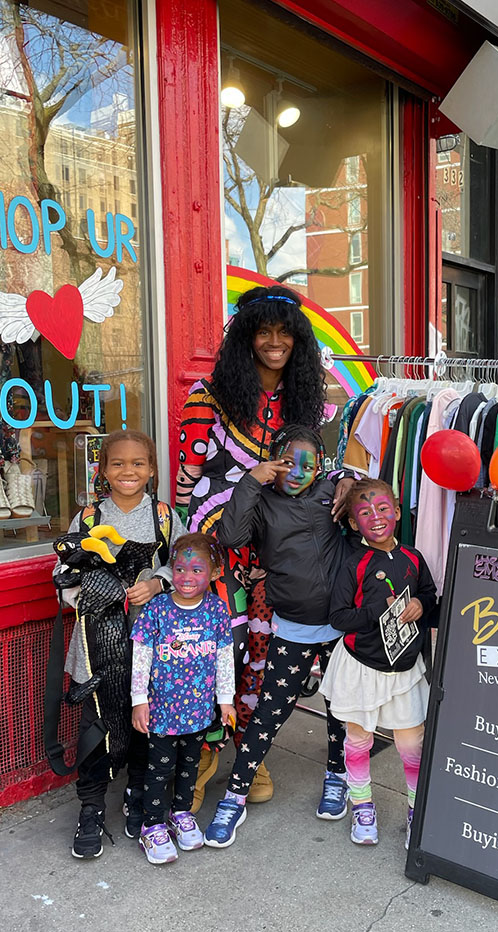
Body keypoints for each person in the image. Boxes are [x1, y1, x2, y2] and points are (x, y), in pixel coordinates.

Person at [176, 284, 332, 807]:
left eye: (284, 332)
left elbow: (318, 474)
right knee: (210, 654)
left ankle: (250, 750)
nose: (273, 342)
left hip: (277, 558)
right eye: (263, 331)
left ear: (299, 341)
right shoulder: (208, 400)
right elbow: (184, 489)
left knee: (261, 659)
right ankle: (199, 758)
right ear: (246, 338)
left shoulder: (307, 403)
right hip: (221, 552)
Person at [201, 425, 353, 848]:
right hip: (295, 626)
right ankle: (234, 797)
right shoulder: (262, 501)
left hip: (341, 624)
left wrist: (348, 479)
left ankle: (338, 775)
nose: (298, 471)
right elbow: (229, 536)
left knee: (340, 707)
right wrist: (252, 481)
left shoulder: (332, 493)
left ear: (321, 467)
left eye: (309, 464)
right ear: (272, 461)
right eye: (288, 461)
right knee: (269, 714)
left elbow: (374, 508)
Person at [55, 430, 186, 859]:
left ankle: (138, 793)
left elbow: (184, 565)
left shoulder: (164, 517)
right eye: (118, 464)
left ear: (151, 470)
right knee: (97, 724)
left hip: (152, 643)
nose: (128, 472)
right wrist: (92, 592)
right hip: (96, 643)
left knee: (144, 718)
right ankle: (91, 807)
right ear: (103, 470)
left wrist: (156, 582)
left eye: (138, 464)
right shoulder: (88, 520)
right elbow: (63, 579)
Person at [320, 478, 437, 849]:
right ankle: (362, 806)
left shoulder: (414, 559)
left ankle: (417, 811)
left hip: (405, 670)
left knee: (411, 744)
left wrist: (421, 604)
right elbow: (338, 618)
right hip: (361, 668)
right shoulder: (353, 564)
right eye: (365, 512)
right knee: (357, 739)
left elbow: (429, 596)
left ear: (398, 512)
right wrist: (375, 611)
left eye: (383, 508)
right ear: (353, 523)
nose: (376, 517)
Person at [130, 533, 235, 863]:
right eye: (180, 569)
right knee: (159, 770)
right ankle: (151, 826)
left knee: (189, 766)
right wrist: (138, 700)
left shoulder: (217, 610)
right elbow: (141, 655)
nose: (187, 577)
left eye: (196, 570)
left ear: (214, 573)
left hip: (199, 710)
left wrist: (226, 699)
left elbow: (224, 657)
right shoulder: (157, 609)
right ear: (170, 570)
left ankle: (180, 814)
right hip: (161, 711)